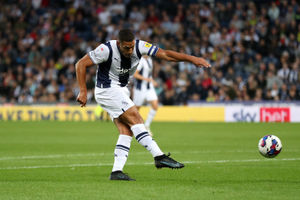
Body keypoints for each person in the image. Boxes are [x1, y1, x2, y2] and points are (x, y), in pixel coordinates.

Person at [75, 29, 211, 181]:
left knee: (126, 130)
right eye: (126, 47)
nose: (130, 50)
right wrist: (83, 91)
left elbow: (166, 54)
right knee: (137, 119)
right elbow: (81, 64)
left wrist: (191, 59)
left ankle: (116, 172)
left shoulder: (140, 46)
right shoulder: (106, 49)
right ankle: (159, 156)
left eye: (132, 46)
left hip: (121, 90)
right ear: (119, 44)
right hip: (107, 90)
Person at [132, 55, 158, 136]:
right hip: (140, 89)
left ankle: (146, 126)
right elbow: (135, 74)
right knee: (136, 110)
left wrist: (151, 80)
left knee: (155, 105)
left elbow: (149, 74)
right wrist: (147, 79)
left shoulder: (150, 59)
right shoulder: (140, 61)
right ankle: (132, 126)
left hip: (149, 87)